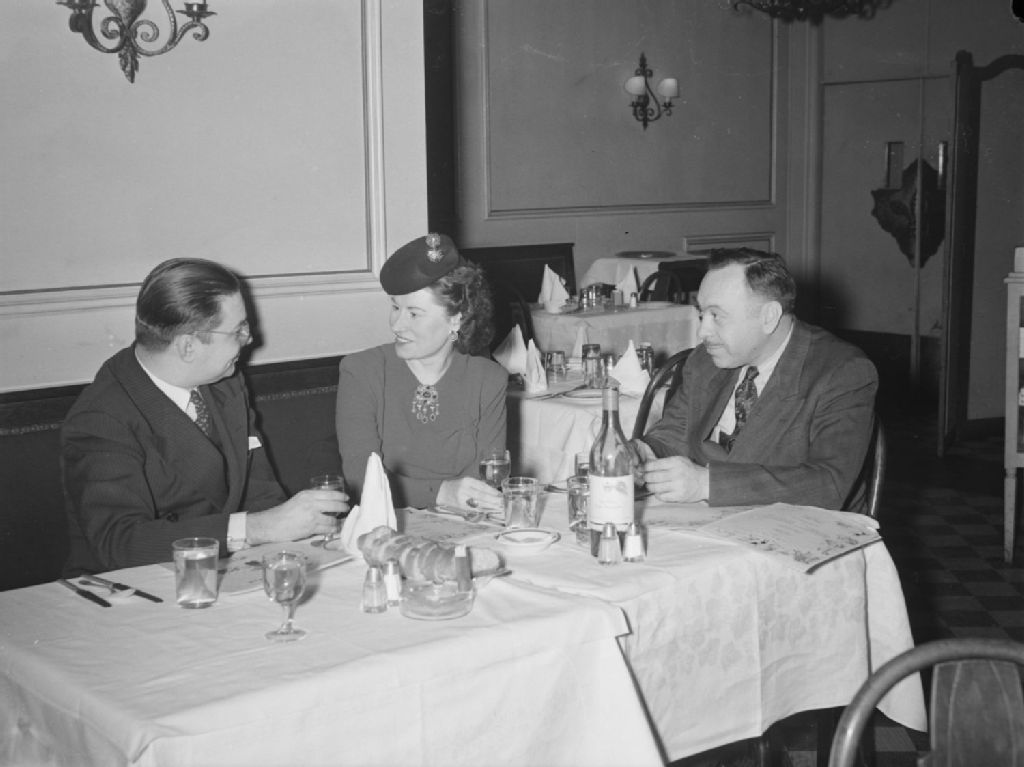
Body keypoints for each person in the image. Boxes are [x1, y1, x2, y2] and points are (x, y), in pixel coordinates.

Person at [62, 258, 347, 576]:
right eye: (238, 330)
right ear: (188, 347)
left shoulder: (224, 382)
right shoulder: (103, 417)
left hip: (224, 571)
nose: (249, 339)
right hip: (134, 587)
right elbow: (121, 543)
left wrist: (291, 539)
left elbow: (259, 490)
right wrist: (256, 528)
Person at [633, 248, 878, 512]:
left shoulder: (841, 372)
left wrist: (706, 484)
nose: (702, 331)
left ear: (768, 317)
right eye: (702, 314)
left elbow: (828, 484)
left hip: (803, 526)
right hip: (712, 520)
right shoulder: (705, 360)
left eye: (717, 316)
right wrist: (645, 452)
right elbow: (676, 432)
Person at [336, 233, 507, 511]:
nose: (396, 324)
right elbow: (361, 479)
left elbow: (487, 479)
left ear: (455, 320)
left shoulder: (488, 380)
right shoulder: (362, 371)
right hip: (386, 523)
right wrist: (441, 493)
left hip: (466, 523)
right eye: (395, 307)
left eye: (413, 314)